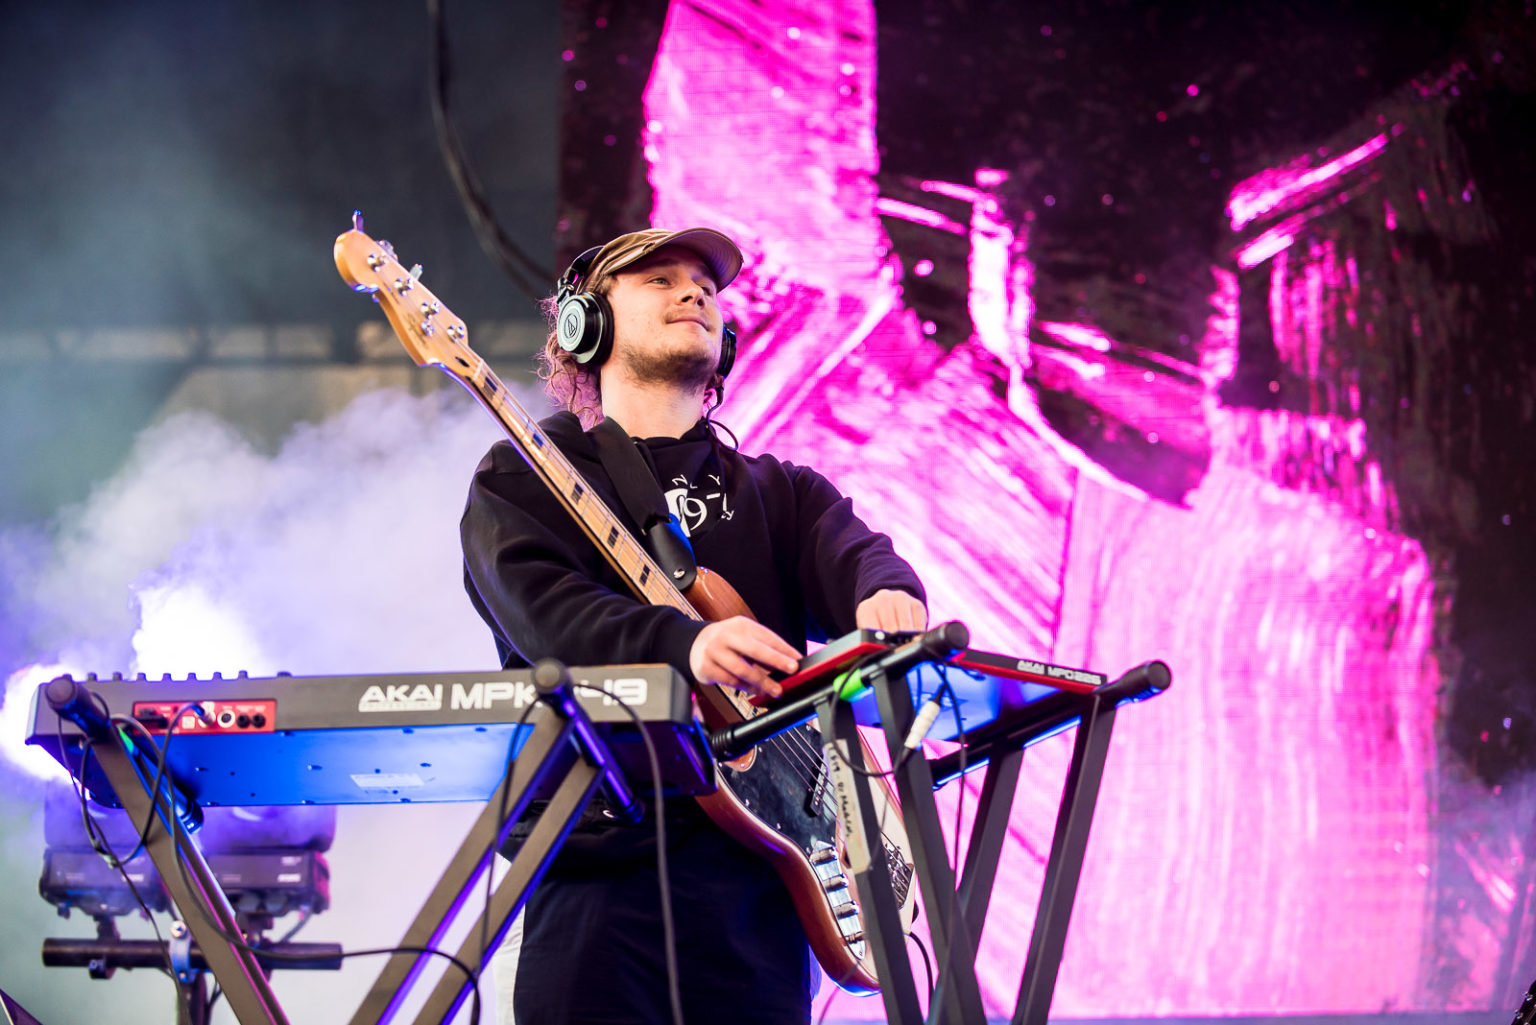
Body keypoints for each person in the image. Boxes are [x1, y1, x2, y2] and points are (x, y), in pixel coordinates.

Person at [459, 226, 928, 1025]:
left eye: (706, 286)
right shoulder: (527, 476)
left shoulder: (781, 491)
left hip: (764, 886)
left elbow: (858, 556)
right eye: (659, 279)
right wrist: (685, 645)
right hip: (603, 881)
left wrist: (887, 591)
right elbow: (549, 618)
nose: (694, 293)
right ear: (585, 323)